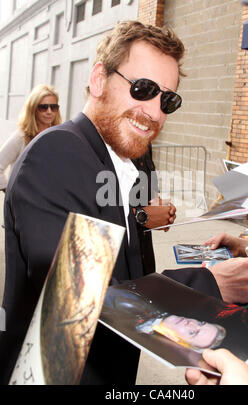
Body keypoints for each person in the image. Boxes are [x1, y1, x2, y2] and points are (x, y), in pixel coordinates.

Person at [0, 21, 187, 385]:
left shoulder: (127, 157)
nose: (155, 112)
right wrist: (206, 285)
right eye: (143, 89)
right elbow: (85, 298)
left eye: (167, 100)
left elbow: (130, 246)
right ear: (99, 79)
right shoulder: (58, 152)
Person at [0, 84, 62, 191]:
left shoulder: (58, 136)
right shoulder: (21, 137)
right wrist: (10, 192)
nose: (49, 111)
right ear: (33, 108)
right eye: (43, 107)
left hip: (49, 202)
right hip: (23, 204)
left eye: (53, 107)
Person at [132, 146, 176, 275]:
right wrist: (142, 216)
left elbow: (150, 185)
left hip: (144, 252)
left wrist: (161, 208)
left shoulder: (145, 140)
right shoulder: (91, 143)